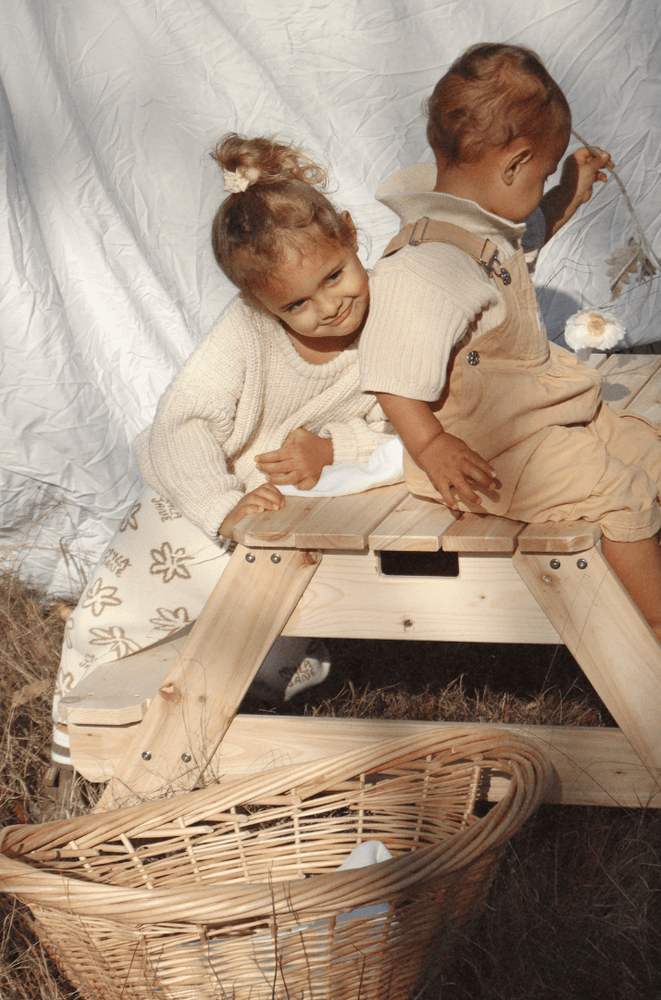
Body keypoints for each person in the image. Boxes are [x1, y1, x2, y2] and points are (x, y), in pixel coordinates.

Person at [359, 44, 661, 668]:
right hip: (478, 453)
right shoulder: (421, 268)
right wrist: (429, 445)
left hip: (529, 419)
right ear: (515, 163)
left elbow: (522, 241)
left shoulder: (478, 226)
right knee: (615, 490)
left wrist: (566, 194)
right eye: (540, 176)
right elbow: (391, 369)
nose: (536, 193)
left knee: (641, 446)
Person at [50, 133, 395, 768]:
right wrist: (221, 505)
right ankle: (85, 763)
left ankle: (222, 750)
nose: (330, 307)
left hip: (286, 519)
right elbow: (181, 426)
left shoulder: (392, 325)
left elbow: (400, 427)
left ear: (350, 235)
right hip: (196, 508)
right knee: (113, 629)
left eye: (335, 275)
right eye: (297, 303)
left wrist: (336, 446)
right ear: (260, 304)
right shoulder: (247, 335)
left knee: (265, 647)